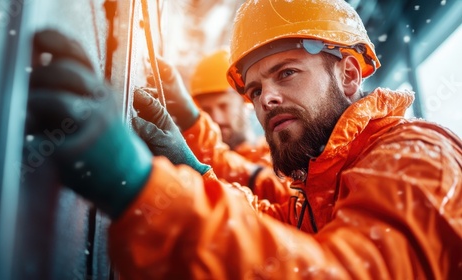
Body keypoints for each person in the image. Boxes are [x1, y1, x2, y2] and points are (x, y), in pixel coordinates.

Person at [26, 0, 462, 279]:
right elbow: (273, 224)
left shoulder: (419, 158)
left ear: (349, 74)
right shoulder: (322, 179)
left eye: (286, 72)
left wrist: (143, 187)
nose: (266, 98)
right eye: (254, 90)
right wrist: (193, 172)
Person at [151, 49, 291, 203]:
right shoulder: (189, 151)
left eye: (223, 106)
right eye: (206, 110)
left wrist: (190, 119)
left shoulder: (278, 157)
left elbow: (273, 188)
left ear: (246, 103)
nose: (216, 118)